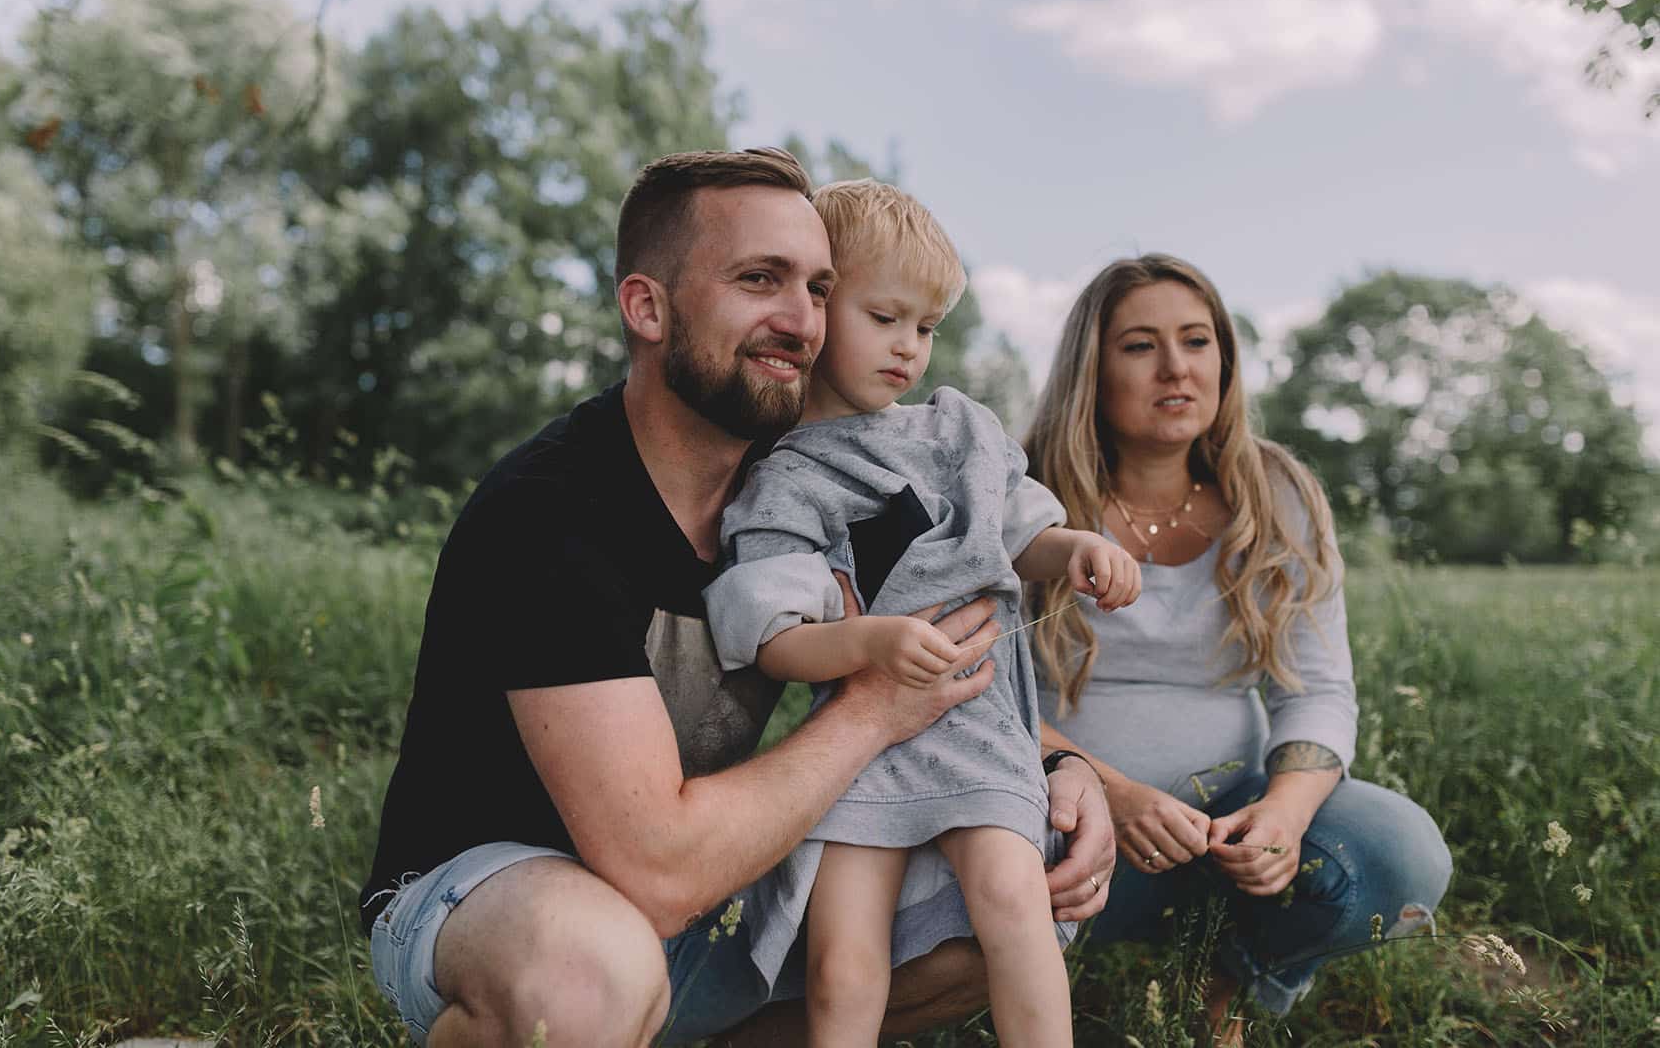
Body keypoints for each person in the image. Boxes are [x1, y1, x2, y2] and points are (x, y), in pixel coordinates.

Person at [356, 147, 1118, 1048]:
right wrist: (871, 711)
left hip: (702, 889)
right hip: (501, 895)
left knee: (1005, 890)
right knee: (590, 973)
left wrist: (1067, 774)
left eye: (820, 287)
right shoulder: (553, 514)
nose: (801, 319)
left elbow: (938, 638)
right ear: (648, 307)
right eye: (761, 279)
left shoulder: (811, 474)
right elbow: (654, 869)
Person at [704, 180, 1142, 1047]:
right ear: (822, 311)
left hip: (978, 724)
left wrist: (1078, 548)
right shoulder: (787, 478)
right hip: (861, 744)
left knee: (1012, 900)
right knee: (844, 961)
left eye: (926, 326)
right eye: (885, 317)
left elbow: (1021, 530)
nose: (909, 347)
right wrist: (864, 639)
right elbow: (773, 638)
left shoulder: (957, 435)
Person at [1021, 254, 1454, 1039]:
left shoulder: (1276, 493)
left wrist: (1283, 813)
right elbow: (973, 680)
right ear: (1092, 364)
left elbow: (1318, 687)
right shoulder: (1022, 493)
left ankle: (1226, 984)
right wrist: (1107, 790)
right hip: (1054, 821)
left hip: (1226, 831)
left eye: (1196, 340)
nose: (1176, 366)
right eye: (1139, 345)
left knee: (1398, 855)